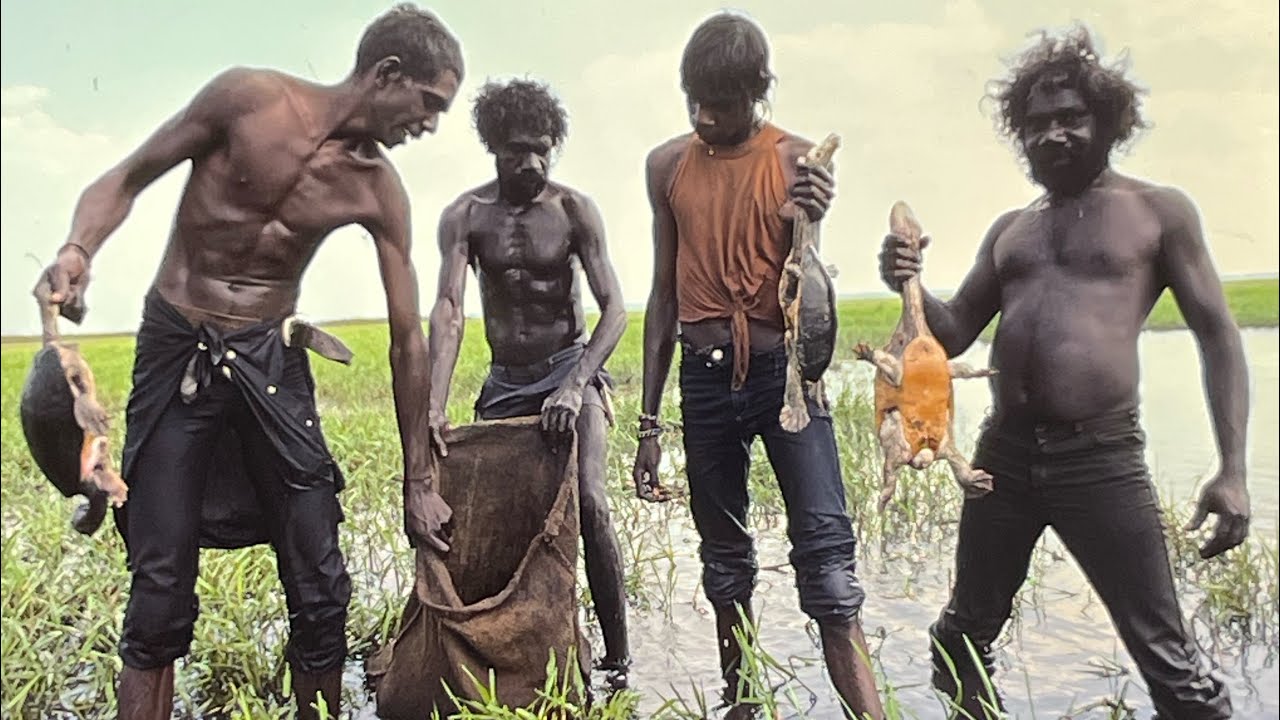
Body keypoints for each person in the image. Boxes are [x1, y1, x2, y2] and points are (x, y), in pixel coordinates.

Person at [30, 5, 464, 718]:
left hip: (269, 360)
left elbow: (406, 337)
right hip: (177, 347)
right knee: (159, 585)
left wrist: (419, 479)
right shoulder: (249, 99)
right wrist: (78, 249)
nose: (429, 125)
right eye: (429, 104)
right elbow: (127, 177)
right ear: (388, 74)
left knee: (321, 580)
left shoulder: (377, 188)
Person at [878, 25, 1247, 718]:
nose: (1054, 135)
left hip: (1099, 457)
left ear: (1107, 121)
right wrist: (910, 283)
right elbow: (953, 332)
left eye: (1072, 118)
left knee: (1172, 668)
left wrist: (1231, 468)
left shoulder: (1156, 213)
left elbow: (1219, 336)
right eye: (1039, 124)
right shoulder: (1011, 229)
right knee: (960, 641)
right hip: (1003, 457)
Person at [630, 12, 885, 719]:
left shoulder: (796, 160)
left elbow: (809, 289)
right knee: (725, 563)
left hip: (786, 381)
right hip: (706, 380)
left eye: (725, 104)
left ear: (757, 93)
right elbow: (662, 294)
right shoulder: (667, 166)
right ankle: (742, 703)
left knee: (829, 567)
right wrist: (649, 424)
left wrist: (815, 215)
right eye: (696, 103)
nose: (708, 117)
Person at [426, 78, 632, 688]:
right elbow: (448, 309)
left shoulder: (573, 210)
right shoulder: (465, 216)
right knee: (501, 520)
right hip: (506, 384)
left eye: (543, 148)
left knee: (590, 504)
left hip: (569, 371)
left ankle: (618, 661)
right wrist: (434, 405)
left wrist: (575, 386)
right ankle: (513, 657)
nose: (532, 163)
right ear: (493, 145)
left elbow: (614, 308)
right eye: (518, 150)